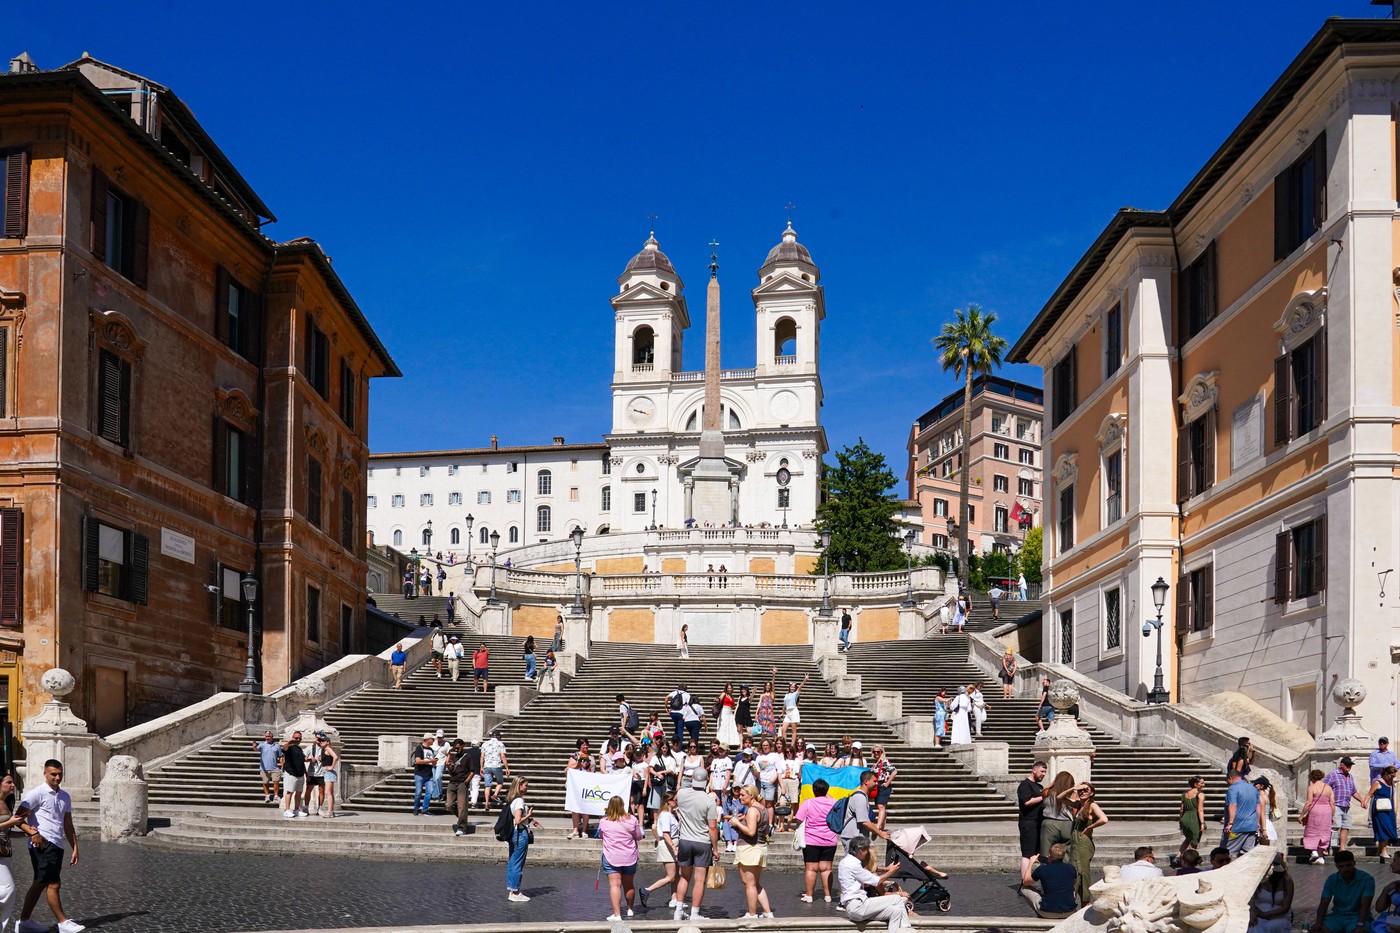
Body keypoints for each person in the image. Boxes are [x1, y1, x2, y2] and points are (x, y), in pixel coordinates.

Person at [14, 761, 82, 933]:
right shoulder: (36, 793)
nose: (57, 777)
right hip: (42, 844)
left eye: (60, 774)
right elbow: (18, 818)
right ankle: (63, 922)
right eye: (53, 774)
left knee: (40, 883)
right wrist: (33, 833)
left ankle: (24, 922)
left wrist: (75, 847)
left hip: (57, 844)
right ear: (45, 773)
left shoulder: (65, 796)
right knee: (53, 883)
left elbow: (68, 824)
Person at [837, 835, 913, 932]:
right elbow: (876, 881)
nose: (867, 853)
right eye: (867, 849)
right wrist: (891, 872)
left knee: (896, 911)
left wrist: (886, 869)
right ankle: (907, 928)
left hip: (853, 908)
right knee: (898, 898)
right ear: (860, 850)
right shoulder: (853, 864)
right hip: (858, 906)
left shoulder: (845, 861)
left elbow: (866, 875)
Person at [672, 769, 720, 923]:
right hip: (702, 842)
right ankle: (694, 913)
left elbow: (673, 801)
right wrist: (715, 848)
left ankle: (678, 910)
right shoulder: (709, 801)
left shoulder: (681, 794)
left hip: (685, 840)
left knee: (684, 877)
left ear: (692, 778)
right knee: (699, 880)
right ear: (706, 781)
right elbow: (713, 827)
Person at [728, 784, 774, 920]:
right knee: (755, 883)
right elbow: (765, 830)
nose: (740, 797)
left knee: (749, 884)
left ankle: (752, 914)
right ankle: (767, 912)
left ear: (751, 795)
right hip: (759, 847)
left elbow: (751, 831)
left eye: (743, 795)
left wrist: (737, 823)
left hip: (749, 848)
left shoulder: (752, 810)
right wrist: (744, 819)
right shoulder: (763, 809)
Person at [597, 794, 643, 921]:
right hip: (629, 856)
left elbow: (600, 835)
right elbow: (639, 836)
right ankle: (630, 909)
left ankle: (617, 914)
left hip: (611, 856)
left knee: (615, 885)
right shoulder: (632, 819)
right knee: (629, 884)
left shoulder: (604, 822)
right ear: (623, 805)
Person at [796, 778, 839, 903]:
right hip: (829, 839)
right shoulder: (833, 802)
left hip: (811, 840)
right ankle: (828, 895)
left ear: (813, 790)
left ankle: (809, 895)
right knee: (827, 869)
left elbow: (799, 819)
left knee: (811, 869)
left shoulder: (808, 803)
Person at [1310, 850, 1374, 933]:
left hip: (1357, 917)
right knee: (1318, 930)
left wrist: (1360, 924)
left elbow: (1365, 905)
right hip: (1337, 916)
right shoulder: (1332, 879)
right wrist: (1318, 922)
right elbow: (1324, 903)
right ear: (1337, 866)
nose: (1345, 869)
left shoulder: (1367, 879)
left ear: (1354, 863)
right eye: (1341, 866)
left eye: (1348, 865)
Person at [1068, 782, 1108, 904]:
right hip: (1076, 842)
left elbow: (1104, 819)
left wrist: (1089, 827)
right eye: (1081, 790)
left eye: (1086, 790)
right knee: (1075, 870)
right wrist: (1073, 788)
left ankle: (1084, 901)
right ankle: (1075, 899)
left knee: (1082, 871)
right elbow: (1060, 797)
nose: (1082, 792)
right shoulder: (1079, 804)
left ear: (1091, 793)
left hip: (1083, 842)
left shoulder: (1092, 805)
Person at [640, 792, 680, 910]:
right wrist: (674, 848)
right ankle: (647, 890)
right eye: (675, 800)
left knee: (676, 875)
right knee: (671, 876)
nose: (677, 802)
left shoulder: (670, 814)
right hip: (668, 847)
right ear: (669, 801)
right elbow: (666, 834)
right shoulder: (666, 815)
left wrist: (678, 813)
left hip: (672, 845)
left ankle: (674, 899)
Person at [1020, 843, 1079, 920]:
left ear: (1049, 855)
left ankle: (1040, 914)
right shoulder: (1071, 868)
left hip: (1048, 912)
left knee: (1024, 888)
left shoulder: (1042, 869)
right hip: (1069, 911)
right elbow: (1074, 882)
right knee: (1070, 889)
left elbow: (1025, 881)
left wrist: (1031, 863)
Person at [0, 773, 27, 932]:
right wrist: (11, 822)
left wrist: (27, 834)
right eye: (9, 782)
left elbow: (6, 833)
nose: (13, 785)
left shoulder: (6, 803)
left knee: (8, 892)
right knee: (8, 890)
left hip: (5, 852)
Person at [839, 770, 891, 848]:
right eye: (874, 781)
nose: (876, 784)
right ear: (866, 781)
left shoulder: (862, 796)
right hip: (854, 838)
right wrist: (880, 833)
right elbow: (864, 822)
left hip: (857, 837)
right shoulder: (859, 797)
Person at [1324, 757, 1366, 853]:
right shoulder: (1333, 775)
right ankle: (1328, 847)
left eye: (1350, 765)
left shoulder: (1350, 777)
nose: (1349, 767)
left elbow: (1353, 791)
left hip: (1346, 806)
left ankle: (1342, 848)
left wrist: (1361, 801)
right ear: (1341, 765)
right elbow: (1324, 788)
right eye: (1347, 765)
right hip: (1336, 805)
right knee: (1335, 827)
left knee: (1346, 827)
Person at [504, 776, 533, 902]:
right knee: (517, 863)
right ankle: (515, 892)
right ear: (519, 785)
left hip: (514, 834)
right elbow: (517, 820)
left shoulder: (512, 799)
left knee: (513, 861)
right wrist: (529, 815)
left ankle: (512, 889)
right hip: (520, 833)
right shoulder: (519, 801)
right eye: (525, 785)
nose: (527, 788)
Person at [1249, 853, 1294, 933]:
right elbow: (1250, 899)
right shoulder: (1257, 879)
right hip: (1258, 917)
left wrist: (1265, 914)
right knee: (1255, 927)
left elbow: (1285, 907)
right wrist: (1252, 911)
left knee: (1278, 925)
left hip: (1279, 917)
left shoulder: (1287, 881)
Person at [1018, 761, 1048, 879]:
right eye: (1042, 771)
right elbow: (1027, 802)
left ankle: (1031, 879)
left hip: (1039, 823)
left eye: (1045, 772)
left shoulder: (1039, 787)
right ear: (1034, 770)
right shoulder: (1025, 785)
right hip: (1028, 824)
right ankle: (1024, 881)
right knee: (1027, 853)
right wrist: (1043, 796)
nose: (1043, 774)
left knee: (1037, 853)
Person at [1223, 769, 1261, 857]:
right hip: (1252, 825)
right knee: (1247, 854)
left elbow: (1233, 805)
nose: (1227, 782)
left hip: (1237, 827)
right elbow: (1258, 806)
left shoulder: (1233, 788)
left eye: (1227, 780)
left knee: (1229, 853)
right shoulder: (1253, 788)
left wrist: (1230, 823)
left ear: (1230, 778)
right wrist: (1257, 822)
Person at [1302, 768, 1337, 864]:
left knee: (1312, 831)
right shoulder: (1328, 788)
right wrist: (1332, 815)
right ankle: (1321, 857)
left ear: (1312, 778)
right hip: (1327, 812)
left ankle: (1314, 852)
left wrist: (1302, 815)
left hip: (1315, 811)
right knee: (1324, 832)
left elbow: (1309, 802)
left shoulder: (1311, 787)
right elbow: (1332, 803)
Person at [1040, 770, 1076, 858]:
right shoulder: (1073, 794)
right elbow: (1075, 812)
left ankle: (1047, 865)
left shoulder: (1048, 792)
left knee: (1046, 851)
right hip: (1067, 824)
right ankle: (1065, 865)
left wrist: (1054, 782)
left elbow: (1043, 790)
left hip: (1049, 824)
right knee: (1067, 850)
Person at [444, 738, 475, 836]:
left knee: (462, 806)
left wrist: (466, 781)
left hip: (462, 782)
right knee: (449, 804)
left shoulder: (468, 757)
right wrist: (448, 766)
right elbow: (451, 773)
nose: (457, 750)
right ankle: (462, 818)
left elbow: (472, 771)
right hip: (452, 782)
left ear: (462, 746)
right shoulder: (453, 757)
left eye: (458, 748)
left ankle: (462, 827)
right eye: (455, 748)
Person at [566, 739, 597, 839]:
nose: (585, 746)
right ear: (579, 746)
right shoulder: (575, 755)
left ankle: (584, 830)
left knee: (586, 807)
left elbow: (593, 769)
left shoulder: (591, 756)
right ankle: (575, 830)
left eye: (587, 744)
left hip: (587, 784)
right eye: (583, 745)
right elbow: (569, 767)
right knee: (575, 807)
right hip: (576, 784)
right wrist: (578, 764)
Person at [1177, 776, 1207, 865]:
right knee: (1194, 842)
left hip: (1185, 818)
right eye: (1202, 783)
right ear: (1195, 784)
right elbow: (1200, 810)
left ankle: (1177, 857)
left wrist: (1181, 820)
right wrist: (1202, 823)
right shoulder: (1200, 794)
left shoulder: (1184, 794)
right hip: (1195, 819)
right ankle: (1191, 860)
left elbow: (1181, 809)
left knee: (1188, 839)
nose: (1204, 785)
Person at [1371, 766, 1398, 860]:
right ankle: (1383, 851)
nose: (1393, 777)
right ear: (1386, 774)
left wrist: (1395, 808)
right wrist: (1364, 802)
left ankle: (1379, 850)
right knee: (1384, 828)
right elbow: (1369, 794)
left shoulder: (1391, 783)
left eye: (1394, 776)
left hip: (1389, 809)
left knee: (1388, 828)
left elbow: (1393, 796)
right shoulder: (1377, 782)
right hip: (1380, 809)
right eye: (1391, 775)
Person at [279, 730, 308, 818]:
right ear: (292, 738)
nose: (298, 740)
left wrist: (306, 773)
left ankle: (296, 810)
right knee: (289, 792)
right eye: (296, 738)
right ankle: (287, 810)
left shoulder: (299, 749)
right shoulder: (289, 747)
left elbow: (302, 761)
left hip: (300, 774)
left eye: (299, 738)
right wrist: (289, 742)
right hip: (291, 773)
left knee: (299, 793)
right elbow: (283, 749)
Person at [1370, 852, 1400, 933]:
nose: (1391, 864)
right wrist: (1386, 890)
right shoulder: (1395, 885)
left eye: (1394, 861)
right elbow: (1379, 908)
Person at [870, 746, 897, 831]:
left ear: (882, 752)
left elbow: (894, 772)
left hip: (883, 786)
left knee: (881, 806)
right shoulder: (875, 763)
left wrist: (887, 783)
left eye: (878, 751)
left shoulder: (885, 761)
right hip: (877, 786)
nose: (876, 753)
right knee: (881, 807)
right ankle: (882, 826)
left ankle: (878, 826)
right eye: (874, 752)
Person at [482, 729, 510, 808]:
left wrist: (481, 767)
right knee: (500, 782)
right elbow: (503, 756)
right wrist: (507, 768)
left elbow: (482, 756)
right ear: (499, 737)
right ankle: (495, 795)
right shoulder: (500, 744)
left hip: (487, 766)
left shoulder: (485, 744)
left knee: (487, 786)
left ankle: (487, 803)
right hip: (496, 766)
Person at [253, 730, 282, 804]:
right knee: (265, 783)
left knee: (276, 782)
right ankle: (267, 796)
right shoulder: (262, 745)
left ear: (272, 737)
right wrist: (254, 747)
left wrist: (282, 765)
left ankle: (276, 796)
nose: (267, 738)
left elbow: (280, 756)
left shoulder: (277, 746)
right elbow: (256, 749)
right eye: (266, 736)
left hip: (274, 768)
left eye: (269, 736)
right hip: (264, 768)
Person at [781, 673, 810, 747]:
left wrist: (805, 680)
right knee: (783, 729)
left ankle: (792, 746)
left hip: (793, 711)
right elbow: (784, 705)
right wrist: (782, 713)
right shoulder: (786, 695)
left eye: (794, 687)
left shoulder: (795, 694)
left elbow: (800, 687)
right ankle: (784, 745)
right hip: (787, 713)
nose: (792, 688)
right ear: (789, 687)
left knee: (793, 730)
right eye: (791, 687)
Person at [411, 732, 436, 815]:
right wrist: (430, 761)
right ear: (428, 740)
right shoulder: (419, 748)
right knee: (418, 793)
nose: (433, 740)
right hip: (419, 773)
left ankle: (425, 808)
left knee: (430, 792)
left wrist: (434, 762)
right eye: (432, 739)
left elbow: (432, 762)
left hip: (429, 774)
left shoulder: (431, 750)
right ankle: (416, 808)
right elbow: (418, 761)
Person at [716, 683, 741, 747]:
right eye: (728, 688)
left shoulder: (732, 697)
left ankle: (730, 742)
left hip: (730, 712)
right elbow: (720, 699)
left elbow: (733, 706)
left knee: (730, 727)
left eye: (730, 688)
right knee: (723, 726)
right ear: (726, 688)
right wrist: (718, 699)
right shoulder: (724, 694)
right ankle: (722, 741)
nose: (729, 689)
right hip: (724, 711)